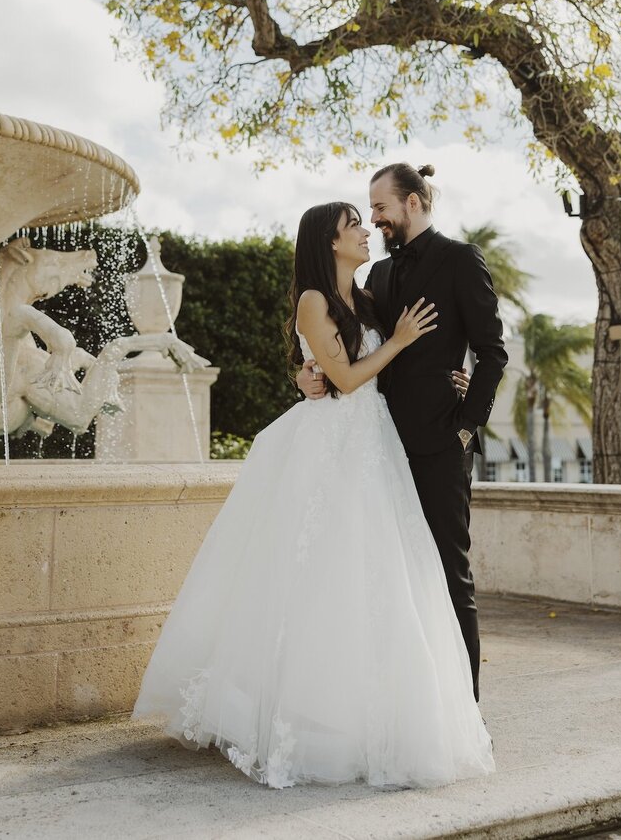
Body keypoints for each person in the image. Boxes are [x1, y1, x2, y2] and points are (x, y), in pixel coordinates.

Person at [133, 201, 495, 789]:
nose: (364, 231)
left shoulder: (370, 298)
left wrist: (454, 375)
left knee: (376, 577)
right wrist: (398, 342)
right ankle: (303, 718)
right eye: (353, 224)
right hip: (333, 442)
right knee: (318, 573)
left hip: (375, 443)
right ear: (329, 241)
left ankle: (370, 716)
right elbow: (348, 380)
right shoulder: (313, 300)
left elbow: (366, 371)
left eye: (364, 220)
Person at [298, 163, 508, 701]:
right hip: (381, 447)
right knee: (391, 576)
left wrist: (467, 426)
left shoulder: (461, 259)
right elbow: (344, 343)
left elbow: (492, 350)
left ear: (412, 202)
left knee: (448, 574)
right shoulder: (378, 278)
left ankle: (464, 708)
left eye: (381, 207)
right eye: (368, 212)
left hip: (442, 443)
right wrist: (307, 376)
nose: (375, 219)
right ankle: (407, 703)